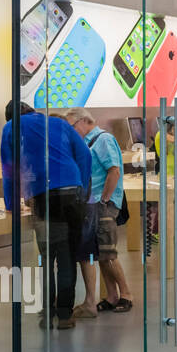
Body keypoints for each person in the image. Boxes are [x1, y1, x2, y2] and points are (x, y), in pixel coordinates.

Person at [1, 102, 91, 330]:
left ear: (9, 117)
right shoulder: (57, 123)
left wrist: (11, 204)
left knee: (47, 258)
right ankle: (64, 315)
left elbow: (9, 168)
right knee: (67, 257)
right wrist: (81, 187)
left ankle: (48, 310)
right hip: (72, 193)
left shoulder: (11, 127)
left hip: (43, 197)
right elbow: (85, 155)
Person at [65, 108, 133, 314]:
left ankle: (126, 294)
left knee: (108, 252)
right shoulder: (86, 143)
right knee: (100, 252)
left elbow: (114, 171)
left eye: (72, 127)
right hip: (92, 204)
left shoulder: (103, 140)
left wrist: (104, 199)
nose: (71, 132)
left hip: (103, 204)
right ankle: (112, 295)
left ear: (84, 121)